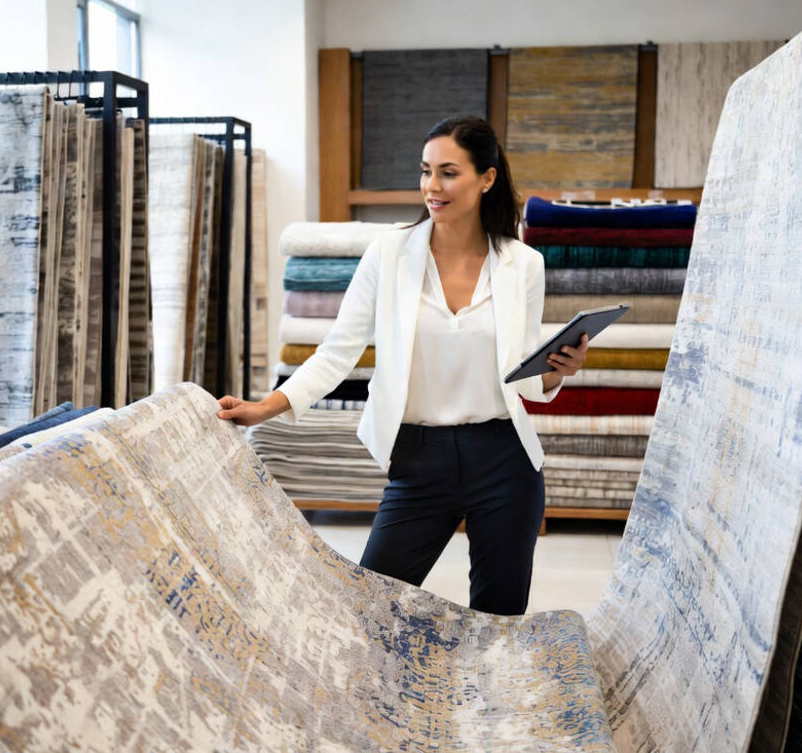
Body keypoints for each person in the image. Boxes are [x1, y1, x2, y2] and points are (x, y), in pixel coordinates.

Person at [216, 115, 587, 615]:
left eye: (448, 173)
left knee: (499, 622)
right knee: (369, 611)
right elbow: (338, 350)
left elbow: (522, 374)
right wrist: (266, 408)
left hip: (504, 459)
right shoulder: (389, 253)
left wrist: (558, 369)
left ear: (487, 178)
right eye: (426, 171)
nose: (432, 186)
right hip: (418, 460)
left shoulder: (523, 264)